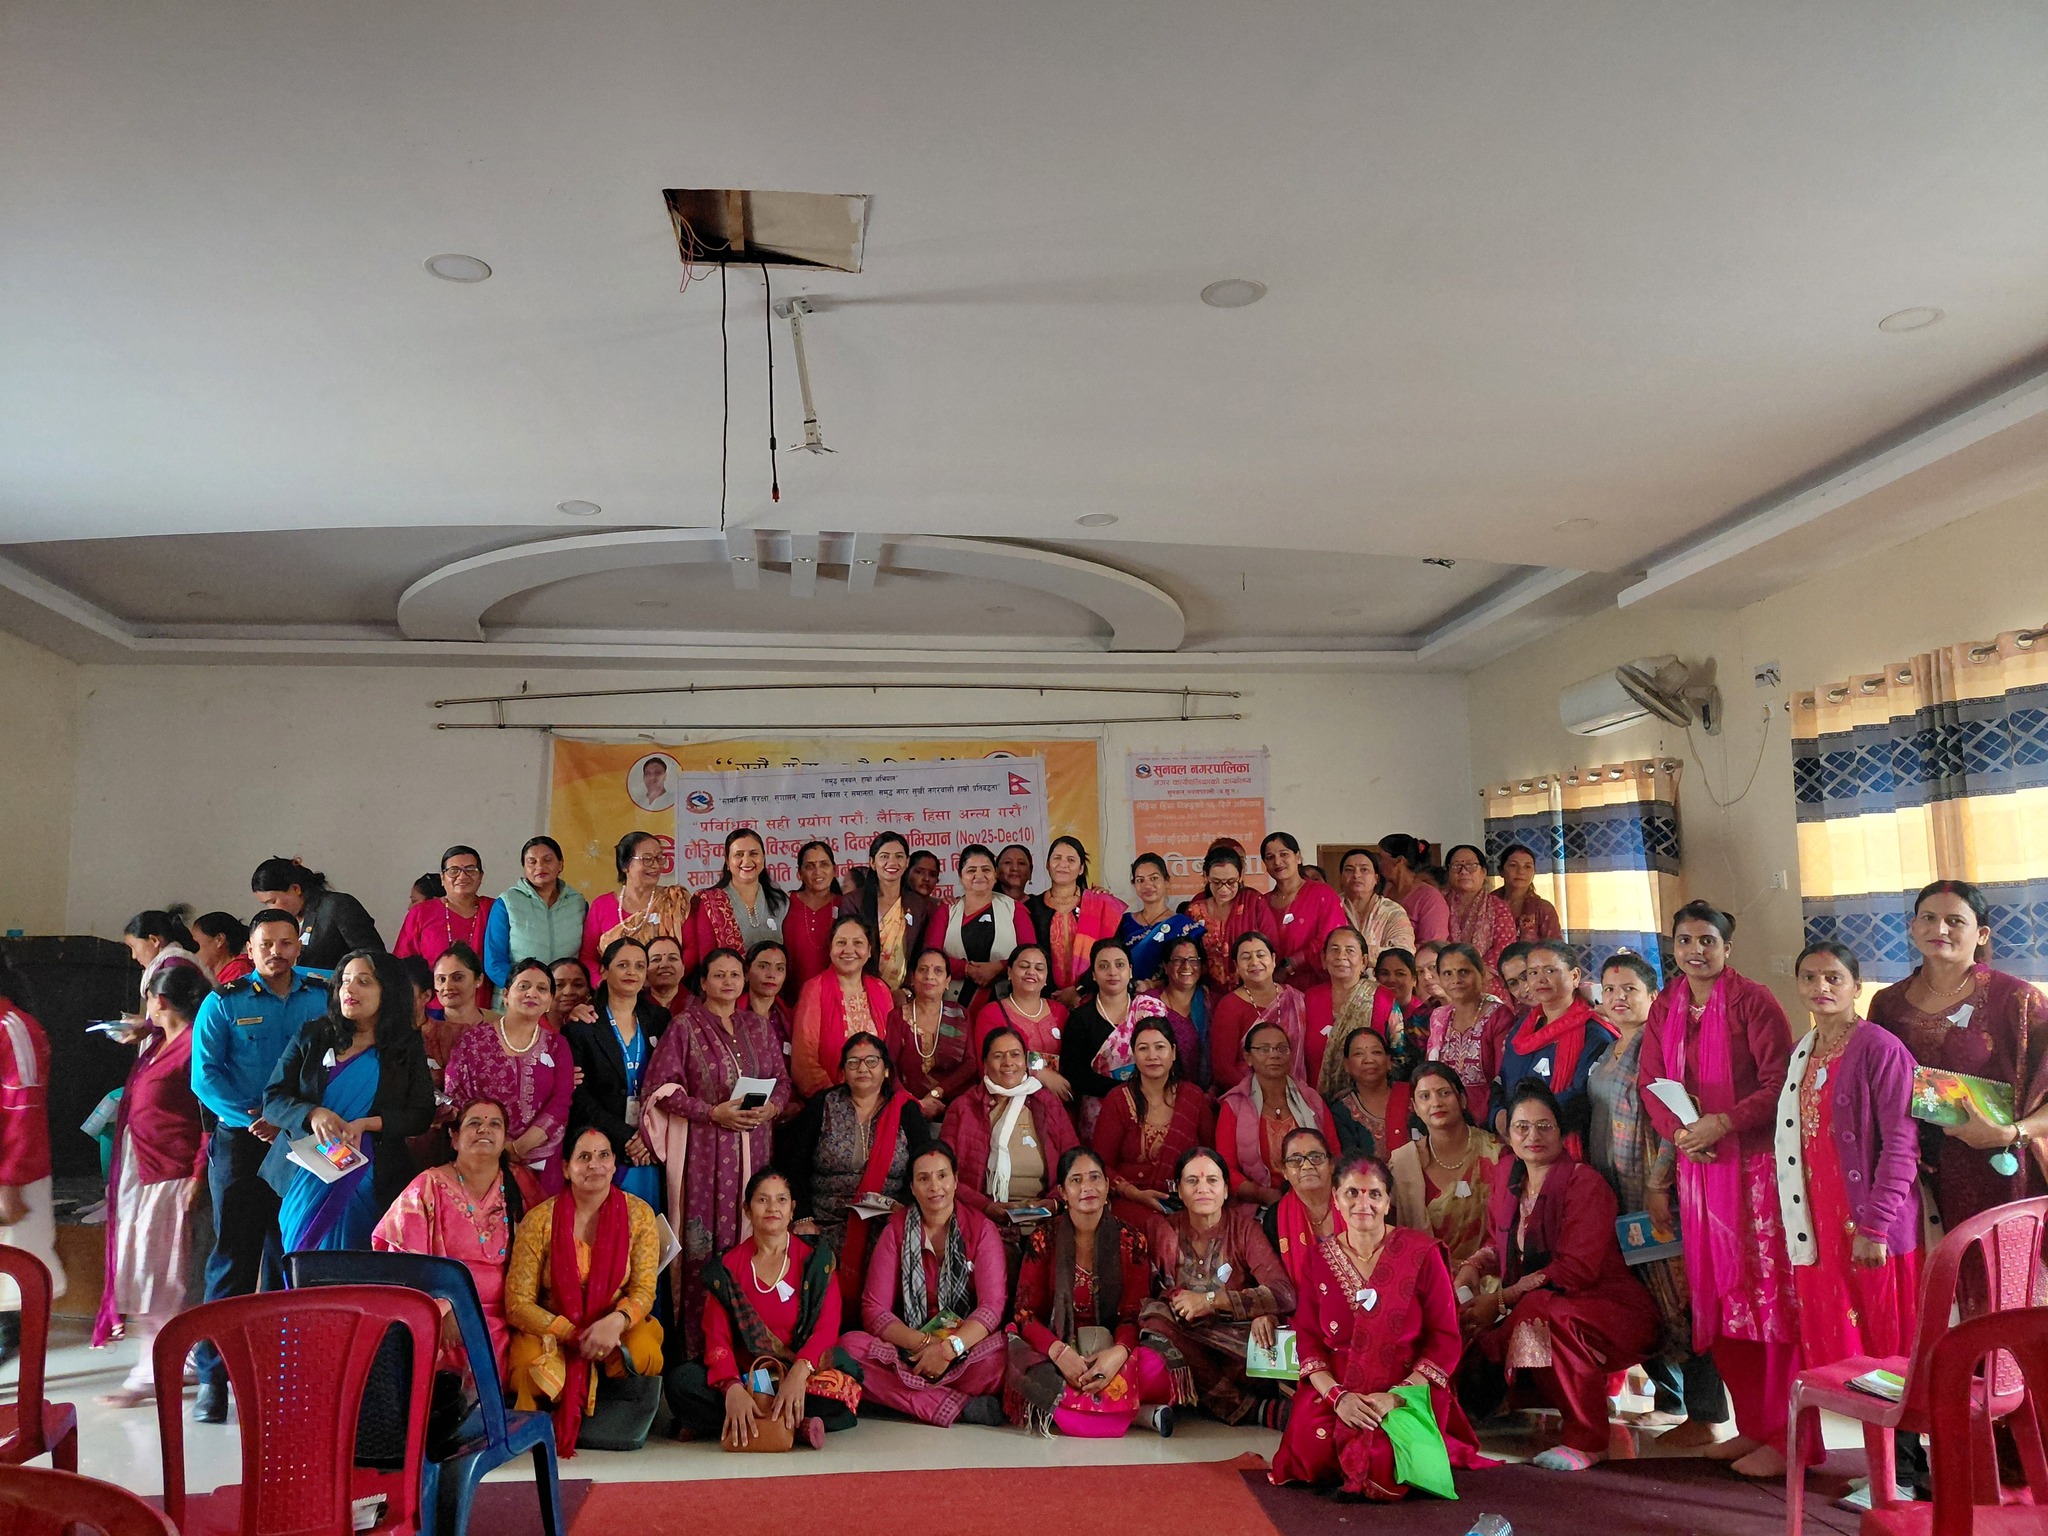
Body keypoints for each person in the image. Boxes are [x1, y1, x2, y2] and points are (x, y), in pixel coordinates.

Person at [1638, 901, 1799, 1480]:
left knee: (1765, 1302)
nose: (1695, 951)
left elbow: (1780, 1084)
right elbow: (1651, 1082)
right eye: (1685, 940)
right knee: (1723, 1301)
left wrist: (1723, 1123)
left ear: (1727, 948)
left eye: (1707, 940)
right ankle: (1752, 1426)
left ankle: (1787, 1437)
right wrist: (1681, 1134)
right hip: (1698, 1170)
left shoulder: (1754, 1002)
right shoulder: (1667, 1005)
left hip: (1754, 1173)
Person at [1458, 1082, 1659, 1472]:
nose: (1533, 1136)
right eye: (1522, 1127)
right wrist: (1473, 1266)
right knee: (1477, 1322)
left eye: (1544, 1126)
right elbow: (1499, 1240)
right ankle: (1508, 1403)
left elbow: (1574, 1270)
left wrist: (1500, 1301)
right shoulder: (1508, 1174)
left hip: (1611, 1309)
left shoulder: (1585, 1183)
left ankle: (1588, 1439)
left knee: (1539, 1312)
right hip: (1544, 1301)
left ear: (1560, 1130)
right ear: (1508, 1133)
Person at [1270, 1151, 1487, 1499]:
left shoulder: (1421, 1254)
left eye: (1374, 1194)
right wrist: (1339, 1397)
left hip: (1405, 1388)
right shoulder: (1318, 1260)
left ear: (1387, 1202)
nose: (1363, 1204)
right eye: (1352, 1193)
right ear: (1336, 1200)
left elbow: (1445, 1339)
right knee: (1314, 1449)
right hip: (1340, 1388)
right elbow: (1308, 1339)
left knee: (1383, 1457)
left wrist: (1396, 1397)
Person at [187, 908, 329, 1420]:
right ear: (249, 948)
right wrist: (251, 1118)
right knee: (234, 1257)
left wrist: (288, 1119)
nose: (276, 952)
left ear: (299, 946)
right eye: (266, 943)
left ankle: (276, 1376)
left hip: (302, 1141)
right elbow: (204, 1076)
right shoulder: (223, 1002)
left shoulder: (323, 995)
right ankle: (213, 1379)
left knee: (286, 1256)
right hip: (243, 1142)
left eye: (286, 943)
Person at [1584, 951, 1721, 1441]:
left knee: (1679, 1296)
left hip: (1650, 1190)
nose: (1618, 998)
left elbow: (1676, 1123)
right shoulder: (1611, 1046)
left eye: (1630, 989)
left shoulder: (1657, 1046)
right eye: (1610, 989)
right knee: (1642, 1296)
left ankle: (1704, 1415)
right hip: (1615, 1189)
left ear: (1653, 995)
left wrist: (1657, 1184)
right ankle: (1670, 1399)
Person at [1777, 942, 1922, 1373]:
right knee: (1833, 1345)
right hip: (1817, 1223)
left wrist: (1875, 1228)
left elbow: (1902, 1145)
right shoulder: (1801, 1052)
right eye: (1809, 977)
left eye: (1833, 978)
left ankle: (1896, 1426)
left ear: (1856, 987)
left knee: (1885, 1352)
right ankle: (1846, 1419)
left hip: (1870, 1221)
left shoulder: (1881, 1049)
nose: (1820, 986)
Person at [1870, 878, 2048, 1227]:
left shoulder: (2017, 1001)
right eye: (1928, 918)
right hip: (1910, 1178)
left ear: (1981, 934)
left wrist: (2011, 1133)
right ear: (1913, 927)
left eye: (1955, 921)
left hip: (1996, 1174)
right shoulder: (1887, 1006)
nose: (1940, 929)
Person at [640, 948, 791, 1357]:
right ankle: (698, 1350)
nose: (728, 982)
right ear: (703, 982)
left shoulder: (758, 1026)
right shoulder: (684, 1026)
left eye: (735, 975)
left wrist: (772, 1108)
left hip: (755, 1148)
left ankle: (751, 1349)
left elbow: (782, 1081)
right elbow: (660, 1090)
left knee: (753, 1236)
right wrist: (711, 1112)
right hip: (704, 1154)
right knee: (703, 1247)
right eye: (719, 975)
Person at [664, 1168, 863, 1446]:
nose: (772, 1208)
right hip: (748, 1375)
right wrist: (732, 1387)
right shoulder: (727, 1269)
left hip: (801, 1372)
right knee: (681, 1382)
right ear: (747, 1209)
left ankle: (738, 1422)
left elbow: (827, 1328)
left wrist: (798, 1373)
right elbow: (717, 1339)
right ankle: (789, 1423)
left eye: (781, 1200)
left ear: (792, 1209)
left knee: (842, 1387)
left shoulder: (816, 1261)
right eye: (762, 1200)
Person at [505, 1126, 665, 1455]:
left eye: (603, 1155)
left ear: (614, 1163)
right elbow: (517, 1303)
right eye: (584, 1157)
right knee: (527, 1367)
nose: (595, 1164)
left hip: (614, 1327)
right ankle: (545, 1422)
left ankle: (608, 1410)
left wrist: (616, 1322)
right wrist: (571, 1333)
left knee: (644, 1352)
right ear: (566, 1168)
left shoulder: (639, 1215)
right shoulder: (540, 1220)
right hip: (554, 1330)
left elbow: (644, 1290)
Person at [89, 963, 208, 1406]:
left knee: (159, 1276)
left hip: (172, 1174)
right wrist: (147, 1029)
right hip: (143, 1168)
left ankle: (154, 1370)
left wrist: (198, 1174)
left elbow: (208, 1118)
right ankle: (175, 1362)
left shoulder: (194, 1044)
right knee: (143, 1269)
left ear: (159, 1001)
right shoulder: (161, 1040)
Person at [262, 948, 435, 1250]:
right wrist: (313, 1114)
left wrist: (368, 1124)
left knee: (353, 1265)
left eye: (363, 982)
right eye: (344, 981)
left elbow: (421, 1114)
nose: (349, 989)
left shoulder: (405, 1046)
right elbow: (273, 1099)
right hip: (306, 1173)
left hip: (372, 1174)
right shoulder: (313, 1035)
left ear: (388, 991)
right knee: (302, 1261)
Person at [1007, 1146, 1176, 1437]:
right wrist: (1061, 1354)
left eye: (1095, 1178)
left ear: (1108, 1186)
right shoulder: (1044, 1239)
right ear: (1063, 1192)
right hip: (1058, 1349)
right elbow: (1025, 1314)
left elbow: (1133, 1314)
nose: (1087, 1187)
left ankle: (1087, 1408)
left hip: (1113, 1348)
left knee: (1157, 1367)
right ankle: (1139, 1413)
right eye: (1076, 1180)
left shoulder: (1131, 1240)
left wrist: (1116, 1356)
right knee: (1025, 1367)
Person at [838, 1142, 1010, 1426]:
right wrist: (925, 1345)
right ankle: (955, 1405)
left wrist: (947, 1350)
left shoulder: (981, 1230)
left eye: (942, 1176)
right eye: (924, 1178)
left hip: (963, 1349)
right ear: (913, 1188)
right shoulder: (896, 1230)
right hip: (910, 1350)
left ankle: (908, 1398)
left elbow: (991, 1308)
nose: (935, 1187)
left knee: (1001, 1358)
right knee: (849, 1348)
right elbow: (874, 1310)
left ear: (956, 1180)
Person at [374, 1096, 543, 1376]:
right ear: (454, 1138)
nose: (484, 1129)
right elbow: (402, 1262)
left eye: (495, 1124)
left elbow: (545, 1245)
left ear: (504, 1139)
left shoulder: (521, 1184)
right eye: (474, 1123)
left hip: (510, 1316)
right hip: (444, 1317)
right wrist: (442, 1308)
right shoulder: (427, 1186)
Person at [1137, 1147, 1295, 1427]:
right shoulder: (1163, 1230)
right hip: (1186, 1339)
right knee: (1156, 1319)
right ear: (1179, 1190)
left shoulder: (1245, 1230)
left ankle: (1223, 1397)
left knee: (1267, 1340)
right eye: (1192, 1181)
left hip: (1235, 1341)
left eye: (1212, 1180)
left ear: (1225, 1190)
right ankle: (1250, 1410)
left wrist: (1216, 1302)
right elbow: (1150, 1293)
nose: (1203, 1188)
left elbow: (1283, 1292)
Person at [786, 1031, 933, 1300]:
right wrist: (803, 1217)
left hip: (887, 1220)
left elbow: (925, 1166)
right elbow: (793, 1163)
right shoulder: (823, 1105)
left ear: (886, 1070)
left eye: (871, 1061)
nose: (862, 1068)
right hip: (825, 1220)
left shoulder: (905, 1110)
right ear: (843, 1072)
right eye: (853, 1062)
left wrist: (902, 1207)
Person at [442, 958, 576, 1193]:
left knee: (540, 1217)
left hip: (542, 1161)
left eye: (542, 988)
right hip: (482, 1156)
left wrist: (520, 1146)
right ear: (505, 995)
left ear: (549, 1001)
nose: (532, 993)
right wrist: (497, 1145)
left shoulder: (557, 1045)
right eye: (523, 986)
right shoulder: (473, 1041)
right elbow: (457, 1097)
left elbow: (561, 1102)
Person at [563, 937, 670, 1213]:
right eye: (623, 965)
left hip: (651, 1146)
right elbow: (577, 1094)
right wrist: (625, 1136)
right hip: (601, 1144)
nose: (632, 972)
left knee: (649, 1226)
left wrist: (649, 1136)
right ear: (604, 970)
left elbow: (673, 1083)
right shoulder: (583, 1025)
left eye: (639, 966)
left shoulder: (661, 1020)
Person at [942, 1025, 1080, 1227]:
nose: (1008, 1062)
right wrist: (985, 1207)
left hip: (1045, 1219)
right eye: (998, 1056)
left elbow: (1075, 1163)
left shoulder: (1048, 1104)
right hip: (980, 1219)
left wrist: (1054, 1203)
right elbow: (944, 1172)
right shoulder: (963, 1107)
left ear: (1025, 1061)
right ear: (985, 1064)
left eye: (1015, 1054)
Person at [1491, 941, 1615, 1152]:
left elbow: (1582, 1096)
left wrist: (1525, 1122)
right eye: (1533, 972)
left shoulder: (1593, 1033)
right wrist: (1499, 1115)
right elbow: (1502, 1079)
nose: (1540, 979)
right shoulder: (1522, 1028)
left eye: (1550, 970)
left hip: (1565, 1146)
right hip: (1517, 1143)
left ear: (1575, 976)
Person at [1094, 1018, 1215, 1221]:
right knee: (1160, 1232)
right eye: (1143, 1049)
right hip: (1132, 1201)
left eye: (1160, 1047)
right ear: (1134, 1055)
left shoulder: (1193, 1097)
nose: (1152, 1056)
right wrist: (1135, 1194)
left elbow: (1211, 1156)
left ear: (1173, 1052)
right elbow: (1100, 1165)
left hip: (1187, 1201)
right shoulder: (1118, 1100)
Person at [1388, 1063, 1500, 1271]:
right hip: (1426, 1276)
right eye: (1425, 1096)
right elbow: (1392, 1234)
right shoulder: (1404, 1163)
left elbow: (1507, 1229)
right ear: (1414, 1107)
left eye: (1444, 1093)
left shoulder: (1495, 1153)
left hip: (1489, 1276)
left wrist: (1473, 1267)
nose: (1436, 1102)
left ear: (1462, 1099)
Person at [1217, 1023, 1339, 1208]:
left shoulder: (1311, 1099)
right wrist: (1261, 1194)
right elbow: (1225, 1167)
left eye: (1282, 1048)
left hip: (1314, 1201)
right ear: (1248, 1057)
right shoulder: (1234, 1105)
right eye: (1264, 1049)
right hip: (1257, 1207)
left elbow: (1334, 1154)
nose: (1274, 1055)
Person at [1059, 937, 1169, 1133]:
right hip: (1100, 1115)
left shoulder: (1148, 1010)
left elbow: (1168, 1057)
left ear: (1130, 971)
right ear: (1093, 975)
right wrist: (1125, 1091)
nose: (1112, 972)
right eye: (1103, 966)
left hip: (1152, 1106)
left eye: (1120, 965)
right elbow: (1074, 1074)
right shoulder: (1080, 1019)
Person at [791, 916, 899, 1098]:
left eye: (858, 943)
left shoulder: (881, 990)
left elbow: (892, 1053)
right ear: (831, 949)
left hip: (879, 1099)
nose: (849, 950)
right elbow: (804, 1062)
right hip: (829, 1100)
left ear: (869, 951)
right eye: (841, 942)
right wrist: (841, 1102)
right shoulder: (814, 989)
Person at [1024, 835, 1128, 1010]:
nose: (1063, 864)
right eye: (1057, 858)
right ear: (1047, 865)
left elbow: (1111, 955)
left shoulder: (1100, 905)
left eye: (1071, 860)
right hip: (1042, 1000)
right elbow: (1027, 955)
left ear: (1081, 869)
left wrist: (1079, 990)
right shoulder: (1031, 908)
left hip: (1093, 999)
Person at [933, 844, 1035, 1018]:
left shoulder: (1014, 910)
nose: (979, 875)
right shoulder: (946, 910)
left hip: (1007, 1003)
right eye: (971, 870)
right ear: (960, 876)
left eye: (986, 869)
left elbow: (1030, 956)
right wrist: (967, 969)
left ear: (995, 874)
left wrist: (999, 967)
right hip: (953, 1008)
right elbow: (931, 955)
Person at [580, 831, 691, 984]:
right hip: (614, 990)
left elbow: (690, 949)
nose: (656, 865)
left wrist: (664, 979)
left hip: (667, 989)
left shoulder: (674, 900)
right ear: (625, 865)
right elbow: (588, 957)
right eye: (647, 859)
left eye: (659, 858)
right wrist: (604, 983)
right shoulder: (602, 905)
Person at [482, 836, 589, 989]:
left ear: (561, 864)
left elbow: (586, 956)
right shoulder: (507, 903)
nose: (540, 866)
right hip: (519, 997)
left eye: (547, 860)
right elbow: (494, 962)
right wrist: (525, 989)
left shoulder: (578, 904)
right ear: (524, 868)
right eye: (532, 862)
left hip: (566, 996)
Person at [839, 831, 937, 997]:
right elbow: (847, 952)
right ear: (872, 862)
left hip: (903, 996)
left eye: (899, 856)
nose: (892, 862)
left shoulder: (918, 904)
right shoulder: (854, 902)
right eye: (884, 856)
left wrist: (907, 992)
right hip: (861, 993)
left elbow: (922, 953)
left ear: (907, 862)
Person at [394, 846, 496, 1002]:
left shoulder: (495, 910)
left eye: (470, 869)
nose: (462, 876)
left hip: (482, 1007)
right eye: (453, 871)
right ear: (442, 878)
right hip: (432, 1007)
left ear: (480, 876)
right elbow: (403, 965)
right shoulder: (421, 913)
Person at [1210, 933, 1309, 1093]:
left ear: (1273, 959)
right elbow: (1223, 1068)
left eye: (1261, 955)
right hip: (1249, 1096)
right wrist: (1263, 1095)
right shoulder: (1230, 1006)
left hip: (1297, 1094)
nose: (1254, 962)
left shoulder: (1296, 999)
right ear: (1236, 966)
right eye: (1246, 957)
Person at [971, 945, 1072, 1099]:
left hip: (1059, 1101)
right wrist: (1039, 1073)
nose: (1031, 972)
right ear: (1009, 972)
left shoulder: (1060, 1012)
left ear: (1046, 977)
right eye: (1024, 966)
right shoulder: (991, 1013)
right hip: (1009, 1100)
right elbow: (985, 1065)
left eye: (1039, 968)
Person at [249, 857, 384, 971]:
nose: (272, 908)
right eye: (266, 904)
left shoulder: (337, 905)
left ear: (296, 889)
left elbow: (373, 956)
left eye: (273, 901)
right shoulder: (284, 924)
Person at [687, 828, 790, 974]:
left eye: (753, 853)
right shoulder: (710, 903)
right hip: (727, 985)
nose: (747, 861)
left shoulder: (781, 902)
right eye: (739, 854)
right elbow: (707, 961)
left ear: (763, 858)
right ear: (727, 861)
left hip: (772, 985)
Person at [890, 948, 976, 1118]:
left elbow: (971, 1064)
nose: (929, 976)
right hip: (906, 1110)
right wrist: (914, 1104)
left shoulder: (960, 1015)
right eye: (923, 969)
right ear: (912, 978)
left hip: (953, 1108)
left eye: (938, 971)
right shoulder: (897, 1017)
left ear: (947, 980)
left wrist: (937, 1092)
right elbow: (888, 1066)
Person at [1425, 943, 1504, 1128]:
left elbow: (1503, 1078)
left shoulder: (1498, 1016)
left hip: (1488, 1121)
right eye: (1447, 973)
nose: (1456, 980)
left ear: (1482, 974)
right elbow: (1431, 1072)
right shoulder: (1439, 1017)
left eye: (1464, 972)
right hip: (1445, 1119)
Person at [1302, 927, 1388, 1086]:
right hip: (1314, 1096)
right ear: (1323, 959)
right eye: (1334, 949)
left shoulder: (1383, 998)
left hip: (1371, 1095)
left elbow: (1399, 1057)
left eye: (1350, 950)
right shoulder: (1309, 999)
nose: (1341, 956)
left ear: (1364, 961)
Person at [1185, 846, 1275, 994]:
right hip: (1207, 993)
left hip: (1251, 992)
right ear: (1206, 876)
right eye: (1216, 882)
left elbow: (1271, 946)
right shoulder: (1195, 912)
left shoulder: (1254, 903)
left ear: (1241, 876)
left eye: (1231, 882)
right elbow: (1188, 954)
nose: (1224, 889)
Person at [1261, 832, 1346, 988]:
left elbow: (1331, 939)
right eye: (1270, 857)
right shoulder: (1262, 903)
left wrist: (1292, 964)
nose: (1277, 861)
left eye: (1284, 854)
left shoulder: (1322, 894)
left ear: (1298, 857)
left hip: (1317, 986)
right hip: (1274, 990)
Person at [1321, 1022, 1412, 1159]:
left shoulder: (1413, 1096)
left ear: (1389, 1061)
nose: (1369, 1060)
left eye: (1376, 1052)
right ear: (1347, 1065)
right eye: (1358, 1054)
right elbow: (1349, 1163)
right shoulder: (1342, 1112)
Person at [1271, 1126, 1341, 1294]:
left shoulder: (1353, 1204)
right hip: (1303, 1306)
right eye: (1295, 1160)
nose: (1307, 1166)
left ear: (1331, 1165)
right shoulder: (1274, 1219)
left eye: (1316, 1157)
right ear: (1285, 1171)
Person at [1117, 853, 1200, 984]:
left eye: (1154, 878)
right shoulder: (1123, 922)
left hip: (1169, 994)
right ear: (1134, 885)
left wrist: (1153, 985)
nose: (1147, 885)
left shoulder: (1183, 925)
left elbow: (1195, 971)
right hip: (1128, 993)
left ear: (1166, 881)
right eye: (1140, 880)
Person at [1442, 846, 1518, 976]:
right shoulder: (1439, 903)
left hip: (1487, 977)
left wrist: (1474, 972)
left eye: (1471, 865)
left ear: (1483, 872)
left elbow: (1504, 948)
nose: (1463, 871)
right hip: (1446, 976)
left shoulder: (1498, 907)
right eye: (1456, 866)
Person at [782, 840, 843, 998]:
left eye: (824, 864)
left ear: (834, 870)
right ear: (800, 873)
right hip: (790, 997)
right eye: (810, 866)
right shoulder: (786, 903)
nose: (817, 871)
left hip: (834, 996)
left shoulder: (846, 905)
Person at [1336, 848, 1416, 966]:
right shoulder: (1331, 906)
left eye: (1364, 870)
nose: (1356, 875)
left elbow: (1404, 953)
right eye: (1349, 870)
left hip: (1381, 977)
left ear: (1376, 878)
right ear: (1341, 877)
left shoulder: (1392, 911)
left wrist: (1354, 953)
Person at [1151, 935, 1212, 1088]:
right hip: (1160, 1091)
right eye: (1178, 960)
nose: (1186, 966)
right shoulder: (1149, 1003)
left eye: (1193, 960)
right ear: (1165, 966)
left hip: (1209, 1094)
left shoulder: (1212, 1002)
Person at [427, 941, 494, 1074]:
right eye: (441, 979)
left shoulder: (497, 1026)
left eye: (457, 978)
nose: (447, 986)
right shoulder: (426, 1024)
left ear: (478, 980)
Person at [1373, 836, 1449, 947]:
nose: (1377, 863)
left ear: (1399, 861)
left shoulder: (1430, 898)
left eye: (1381, 858)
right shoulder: (1383, 891)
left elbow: (1433, 945)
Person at [1371, 948, 1430, 1075]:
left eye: (1400, 974)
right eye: (1385, 973)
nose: (1391, 979)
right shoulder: (1368, 1010)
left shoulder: (1424, 1016)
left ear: (1414, 979)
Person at [1497, 844, 1563, 945]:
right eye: (1513, 865)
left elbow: (1555, 949)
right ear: (1501, 871)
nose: (1521, 871)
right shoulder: (1488, 905)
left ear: (1534, 873)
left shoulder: (1544, 909)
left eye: (1527, 867)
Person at [122, 909, 200, 988]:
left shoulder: (173, 967)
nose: (134, 956)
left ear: (154, 940)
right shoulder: (173, 963)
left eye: (133, 947)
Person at [740, 940, 793, 1046]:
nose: (771, 975)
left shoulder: (790, 1018)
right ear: (747, 972)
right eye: (763, 966)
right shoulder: (732, 1015)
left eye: (780, 968)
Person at [191, 911, 253, 986]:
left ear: (219, 940)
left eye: (196, 944)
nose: (192, 952)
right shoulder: (217, 977)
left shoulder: (239, 971)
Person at [639, 934, 689, 1020]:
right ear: (645, 970)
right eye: (656, 959)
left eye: (673, 958)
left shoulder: (699, 1009)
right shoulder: (633, 1007)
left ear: (683, 968)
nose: (665, 965)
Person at [548, 957, 591, 1030]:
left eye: (578, 985)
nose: (568, 992)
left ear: (588, 990)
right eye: (559, 985)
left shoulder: (598, 1025)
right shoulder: (531, 1026)